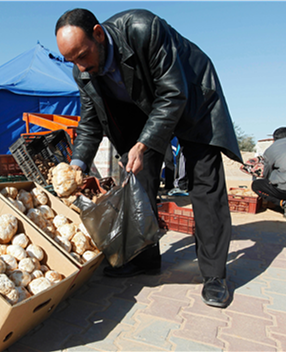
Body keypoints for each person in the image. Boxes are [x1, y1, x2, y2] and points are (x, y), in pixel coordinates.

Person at [55, 8, 243, 308]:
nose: (80, 66)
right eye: (72, 61)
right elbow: (90, 124)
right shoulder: (83, 71)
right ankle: (145, 258)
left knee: (204, 185)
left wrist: (143, 145)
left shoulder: (143, 29)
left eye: (83, 55)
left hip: (192, 98)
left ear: (99, 34)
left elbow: (173, 93)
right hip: (145, 110)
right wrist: (75, 167)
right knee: (138, 180)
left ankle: (214, 275)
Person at [251, 127, 286, 219]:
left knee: (256, 185)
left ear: (274, 138)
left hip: (285, 190)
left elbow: (266, 173)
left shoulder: (272, 149)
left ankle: (284, 203)